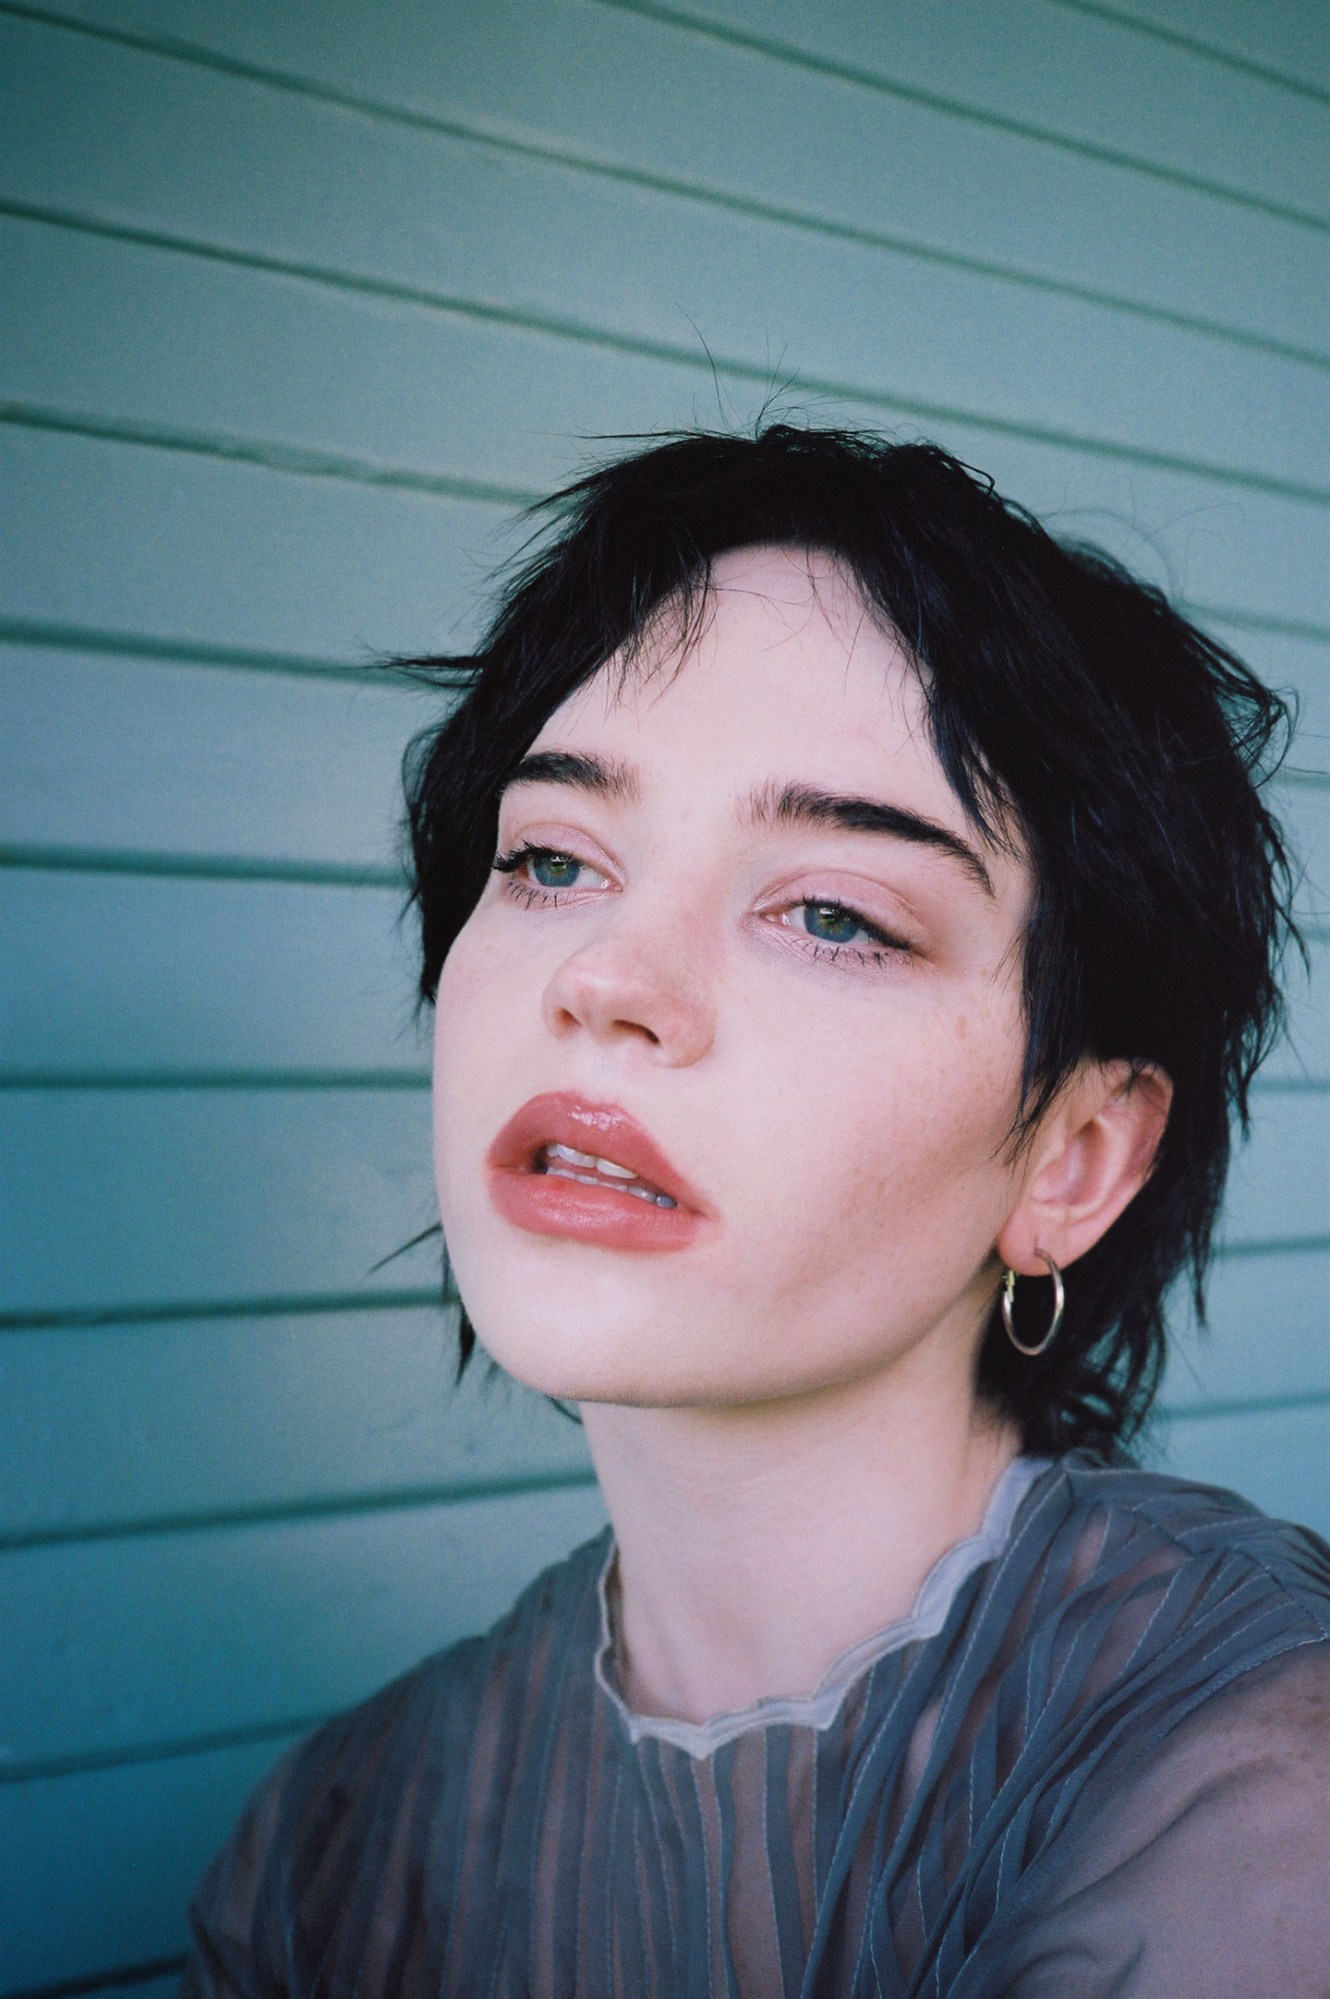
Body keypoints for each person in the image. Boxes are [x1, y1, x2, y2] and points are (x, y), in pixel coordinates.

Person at [180, 426, 1330, 1997]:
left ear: (1071, 1158)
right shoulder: (333, 1848)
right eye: (550, 861)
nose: (605, 982)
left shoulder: (1255, 1765)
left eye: (836, 913)